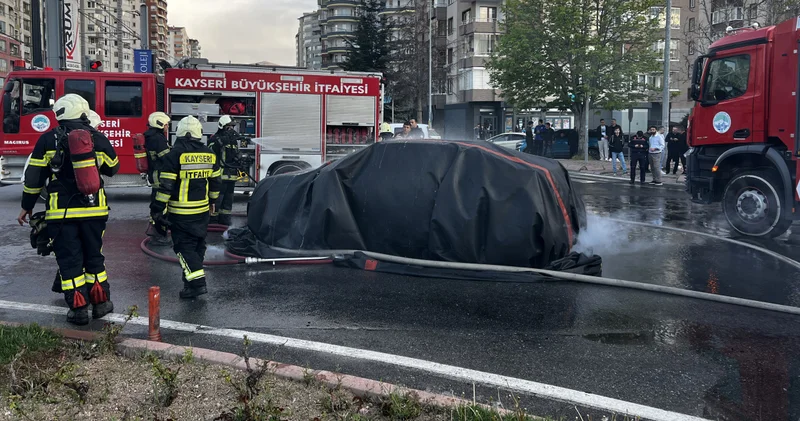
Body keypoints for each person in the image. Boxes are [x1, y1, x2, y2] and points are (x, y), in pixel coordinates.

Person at [18, 94, 120, 325]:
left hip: (61, 213)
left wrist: (26, 206)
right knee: (94, 256)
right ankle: (101, 303)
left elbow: (34, 178)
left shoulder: (47, 140)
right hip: (95, 210)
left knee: (69, 260)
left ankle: (79, 309)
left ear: (60, 114)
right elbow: (113, 168)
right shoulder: (97, 137)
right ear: (83, 112)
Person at [151, 116, 221, 299]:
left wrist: (157, 209)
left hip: (181, 212)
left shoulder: (173, 155)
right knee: (198, 245)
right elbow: (215, 183)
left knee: (183, 248)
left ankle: (198, 283)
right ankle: (189, 286)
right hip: (202, 211)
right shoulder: (209, 154)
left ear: (179, 132)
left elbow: (166, 187)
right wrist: (213, 202)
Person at [208, 115, 240, 226]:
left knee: (228, 200)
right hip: (219, 176)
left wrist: (240, 159)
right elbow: (211, 152)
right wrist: (221, 141)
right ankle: (212, 220)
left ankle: (225, 219)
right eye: (229, 126)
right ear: (222, 126)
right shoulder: (214, 138)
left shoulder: (233, 141)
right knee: (217, 199)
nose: (231, 129)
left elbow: (235, 154)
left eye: (232, 126)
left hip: (231, 176)